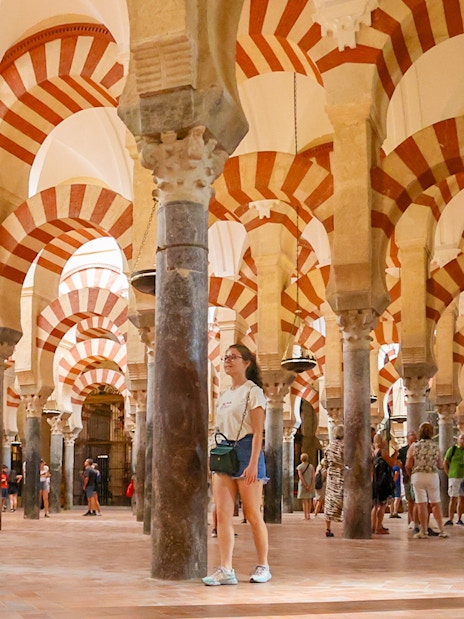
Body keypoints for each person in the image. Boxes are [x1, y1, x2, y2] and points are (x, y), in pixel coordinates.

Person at [202, 344, 271, 586]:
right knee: (222, 515)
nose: (228, 361)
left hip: (246, 449)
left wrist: (253, 464)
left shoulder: (254, 392)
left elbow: (258, 433)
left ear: (247, 362)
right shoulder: (224, 395)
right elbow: (218, 427)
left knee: (252, 514)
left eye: (234, 357)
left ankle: (263, 565)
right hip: (224, 452)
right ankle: (226, 569)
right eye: (226, 357)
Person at [406, 421, 448, 539]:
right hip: (432, 475)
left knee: (421, 504)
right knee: (435, 503)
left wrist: (412, 475)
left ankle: (423, 531)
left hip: (418, 476)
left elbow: (408, 465)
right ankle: (441, 530)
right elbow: (440, 464)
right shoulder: (435, 446)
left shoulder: (414, 446)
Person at [371, 434, 397, 534]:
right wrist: (395, 454)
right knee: (382, 505)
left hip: (376, 480)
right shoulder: (383, 452)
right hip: (383, 481)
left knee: (375, 505)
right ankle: (378, 527)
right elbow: (392, 463)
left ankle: (373, 526)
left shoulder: (374, 452)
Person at [324, 425, 344, 537]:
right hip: (342, 476)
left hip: (331, 476)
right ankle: (344, 528)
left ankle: (328, 528)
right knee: (344, 501)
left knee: (330, 502)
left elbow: (325, 463)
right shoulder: (345, 446)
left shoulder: (329, 446)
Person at [398, 430, 418, 528]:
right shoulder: (402, 451)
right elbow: (399, 463)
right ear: (407, 439)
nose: (414, 441)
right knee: (410, 500)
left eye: (415, 439)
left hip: (417, 477)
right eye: (412, 439)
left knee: (418, 500)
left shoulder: (419, 449)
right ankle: (411, 521)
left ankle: (417, 520)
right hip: (407, 478)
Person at [443, 433, 464, 526]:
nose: (463, 440)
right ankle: (450, 519)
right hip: (454, 477)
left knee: (462, 498)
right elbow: (445, 462)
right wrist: (449, 474)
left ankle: (459, 518)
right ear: (458, 440)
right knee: (453, 498)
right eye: (462, 438)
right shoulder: (453, 450)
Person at [297, 453, 314, 520]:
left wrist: (305, 485)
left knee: (304, 501)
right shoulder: (311, 466)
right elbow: (313, 476)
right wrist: (311, 485)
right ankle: (309, 515)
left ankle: (305, 515)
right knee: (309, 500)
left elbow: (301, 477)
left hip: (303, 485)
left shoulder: (300, 467)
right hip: (310, 484)